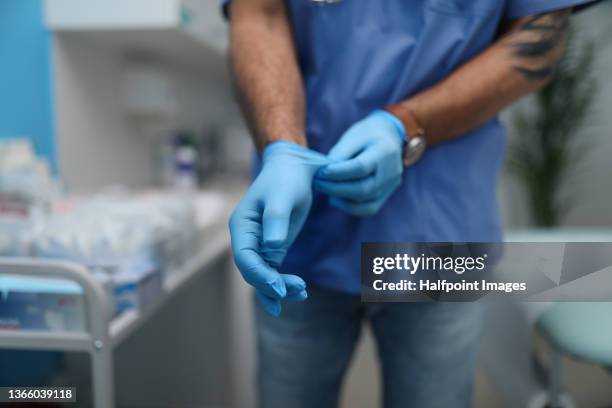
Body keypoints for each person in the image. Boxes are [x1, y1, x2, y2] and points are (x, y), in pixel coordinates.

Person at [224, 1, 599, 407]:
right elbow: (259, 13)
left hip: (439, 233)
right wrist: (281, 146)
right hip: (302, 227)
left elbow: (539, 35)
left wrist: (405, 123)